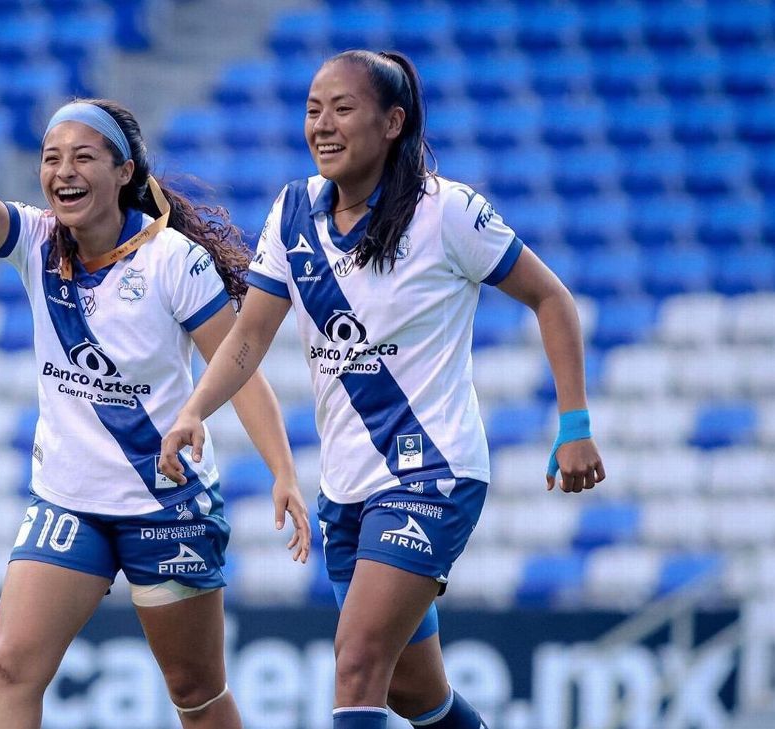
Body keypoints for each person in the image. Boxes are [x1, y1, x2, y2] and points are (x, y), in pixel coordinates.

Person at [160, 50, 606, 729]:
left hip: (432, 473)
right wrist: (195, 408)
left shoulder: (447, 212)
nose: (323, 125)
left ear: (392, 121)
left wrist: (573, 422)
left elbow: (551, 298)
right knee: (412, 691)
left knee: (358, 657)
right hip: (346, 489)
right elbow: (247, 337)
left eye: (342, 108)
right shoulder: (293, 214)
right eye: (313, 110)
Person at [0, 91, 311, 729]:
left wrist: (283, 472)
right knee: (13, 669)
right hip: (68, 501)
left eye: (82, 157)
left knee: (195, 691)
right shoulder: (37, 241)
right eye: (51, 158)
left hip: (166, 503)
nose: (62, 172)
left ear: (124, 170)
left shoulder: (173, 261)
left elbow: (239, 368)